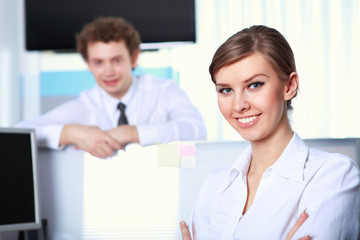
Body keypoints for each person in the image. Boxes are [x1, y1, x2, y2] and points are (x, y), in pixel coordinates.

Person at [180, 25, 360, 239]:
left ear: (289, 86)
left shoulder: (334, 175)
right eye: (226, 90)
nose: (238, 105)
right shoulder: (214, 185)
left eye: (255, 85)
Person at [17, 17, 207, 158]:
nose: (108, 72)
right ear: (88, 64)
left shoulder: (164, 91)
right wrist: (71, 133)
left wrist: (131, 132)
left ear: (133, 58)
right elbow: (21, 132)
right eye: (98, 62)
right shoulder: (85, 104)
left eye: (116, 60)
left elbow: (196, 129)